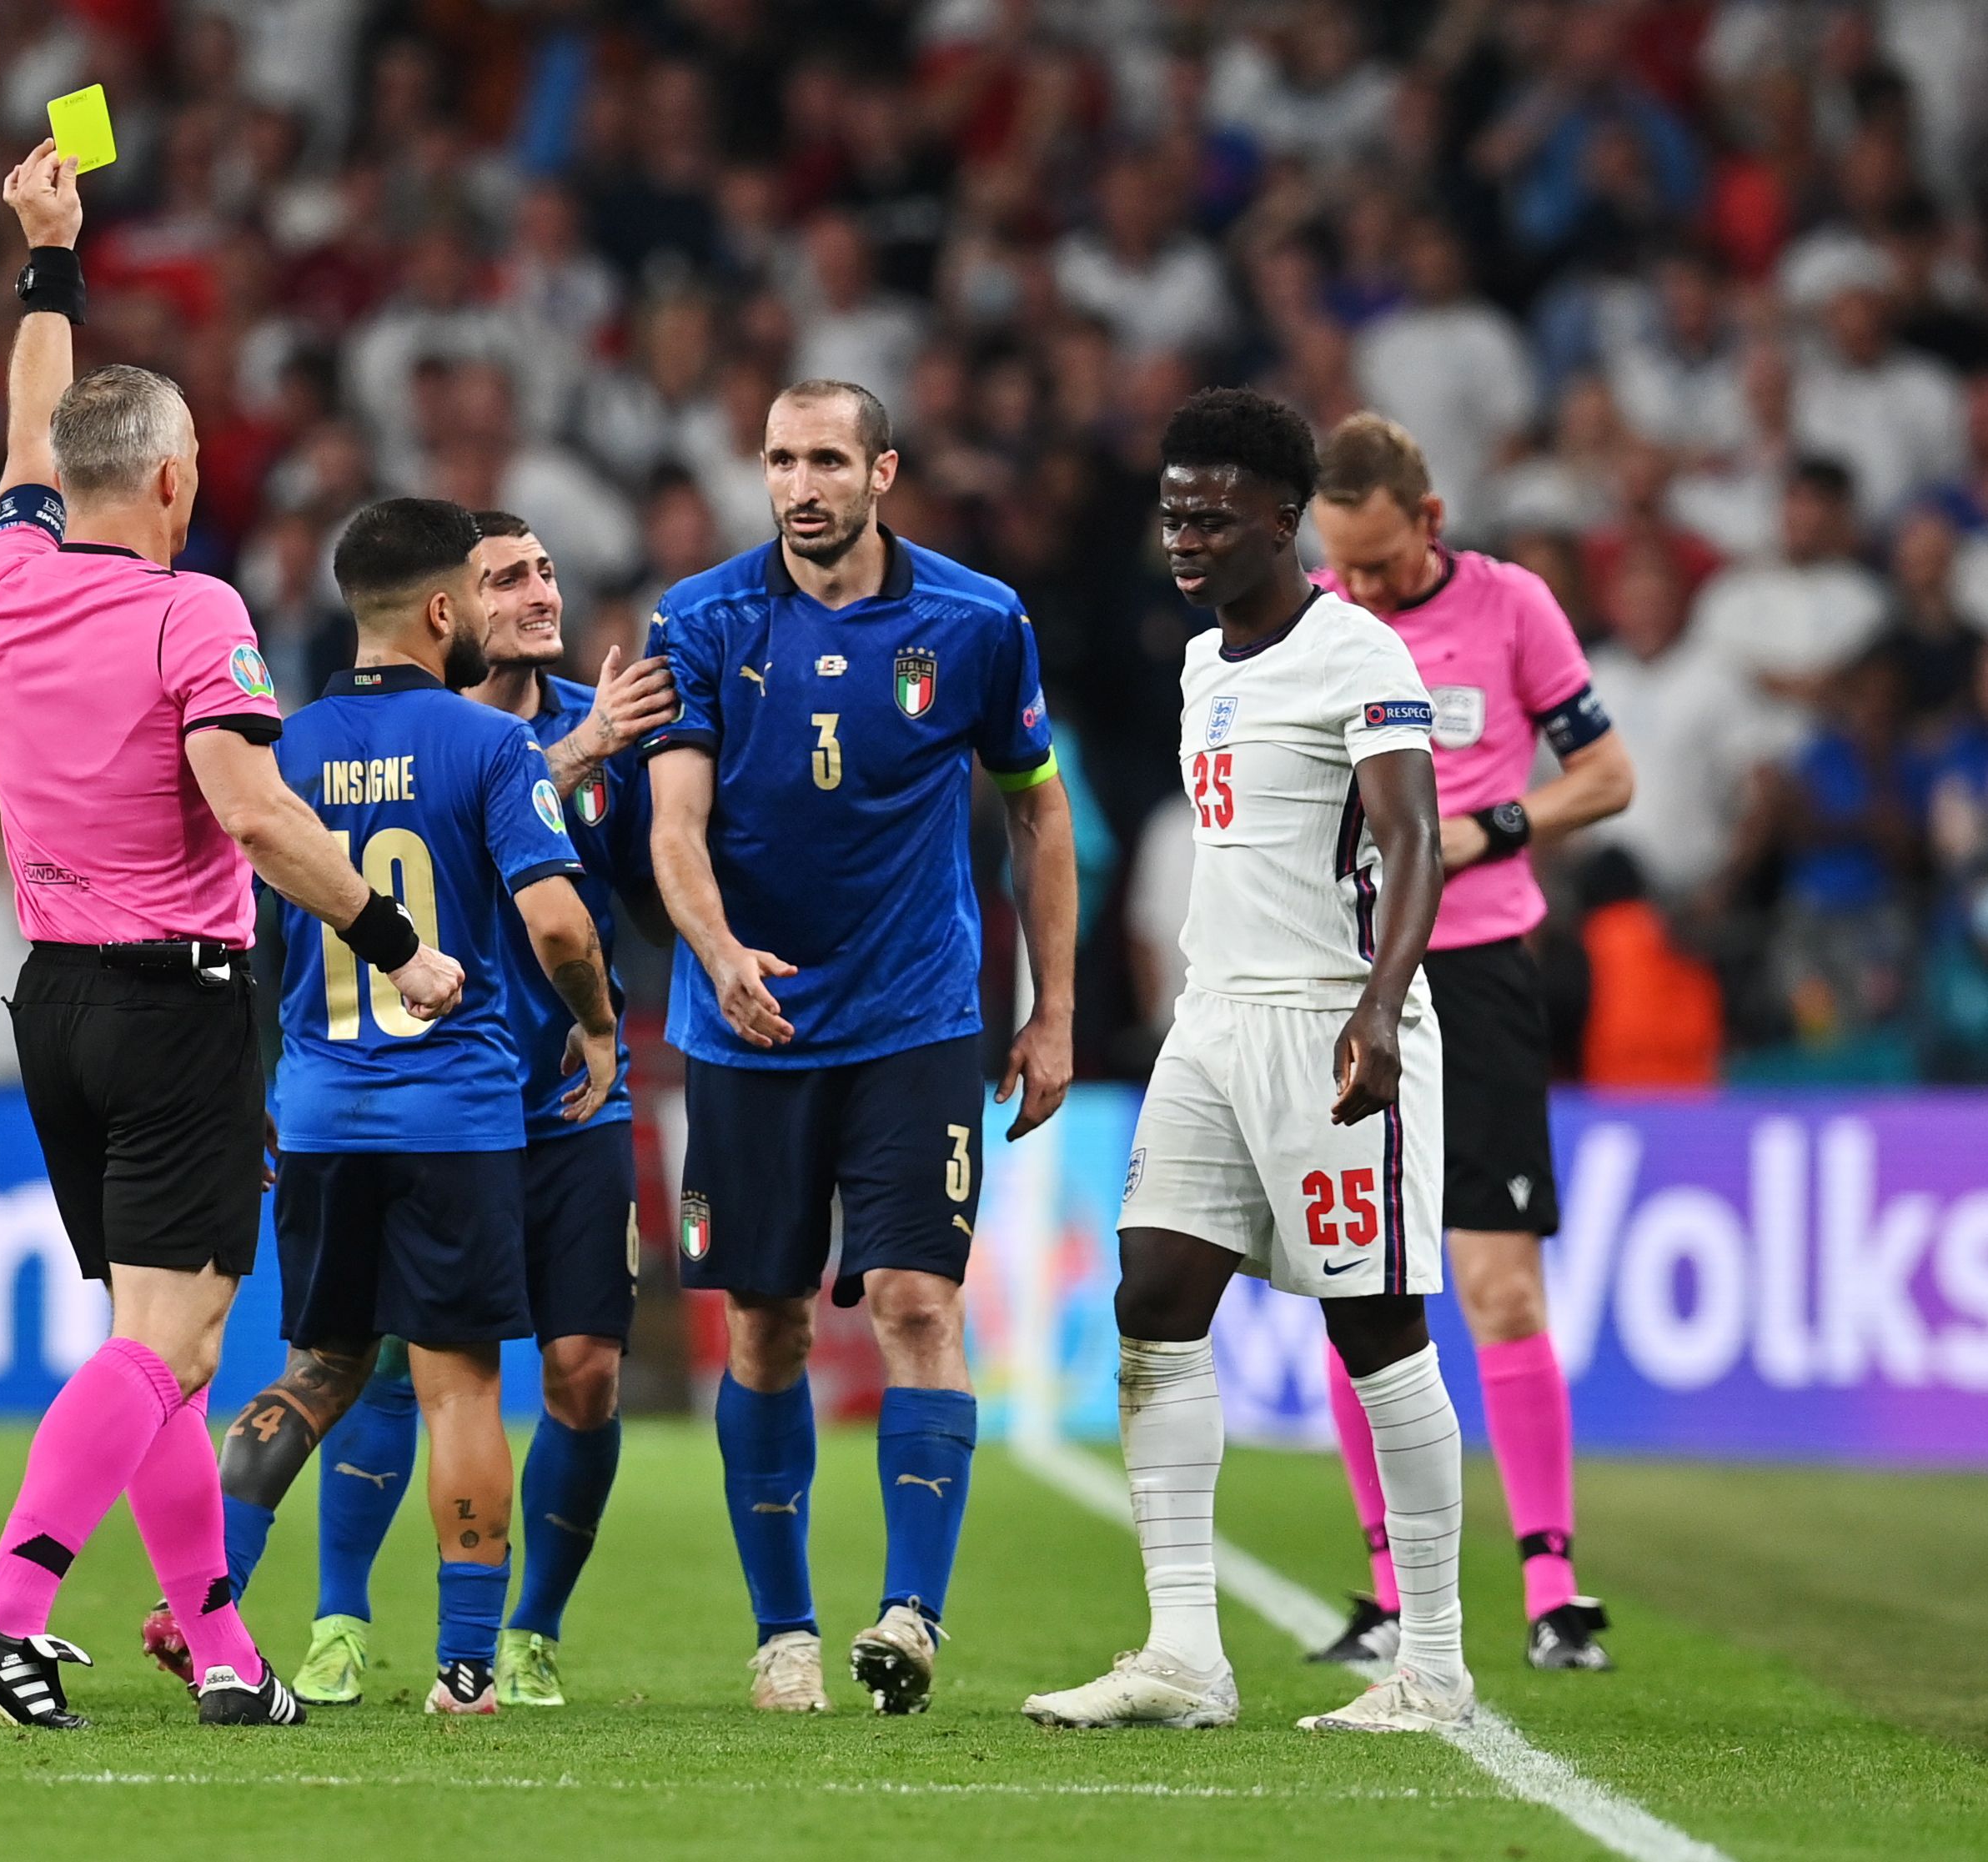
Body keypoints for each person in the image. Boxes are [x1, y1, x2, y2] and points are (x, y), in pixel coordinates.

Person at [0, 142, 463, 1734]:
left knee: (167, 1343)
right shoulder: (193, 614)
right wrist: (388, 936)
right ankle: (3, 1601)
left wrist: (49, 261)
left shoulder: (2, 575)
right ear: (172, 478)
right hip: (178, 1006)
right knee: (175, 1341)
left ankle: (223, 1654)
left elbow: (35, 421)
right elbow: (251, 811)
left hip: (57, 1005)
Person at [1022, 388, 1469, 1735]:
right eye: (1173, 514)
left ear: (1286, 519)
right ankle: (1183, 1653)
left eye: (1213, 516)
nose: (1186, 536)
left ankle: (1436, 1666)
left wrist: (1380, 1013)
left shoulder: (1362, 654)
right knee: (1153, 1292)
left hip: (1333, 1019)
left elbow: (1414, 841)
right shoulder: (1203, 661)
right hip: (1213, 1022)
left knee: (1376, 1327)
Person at [643, 378, 1079, 1715]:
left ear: (883, 469)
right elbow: (673, 825)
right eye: (779, 459)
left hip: (915, 1019)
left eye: (827, 458)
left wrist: (1054, 1010)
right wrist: (720, 958)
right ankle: (785, 1633)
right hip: (749, 1023)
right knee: (763, 1327)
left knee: (916, 1304)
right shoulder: (701, 618)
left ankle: (911, 1615)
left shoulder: (977, 619)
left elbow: (1037, 818)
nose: (800, 485)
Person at [146, 497, 622, 1718]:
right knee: (461, 1383)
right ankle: (468, 1665)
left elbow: (242, 933)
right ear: (443, 609)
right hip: (453, 1116)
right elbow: (560, 921)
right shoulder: (488, 747)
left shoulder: (281, 748)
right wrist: (598, 1018)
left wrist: (255, 1077)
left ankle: (205, 1605)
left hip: (317, 1109)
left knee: (315, 1370)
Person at [286, 509, 676, 1710]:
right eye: (507, 575)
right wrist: (574, 760)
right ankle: (342, 1619)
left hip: (564, 1096)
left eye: (549, 569)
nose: (540, 592)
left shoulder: (611, 739)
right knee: (395, 1365)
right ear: (452, 605)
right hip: (438, 1095)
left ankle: (530, 1629)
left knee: (587, 1372)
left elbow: (651, 888)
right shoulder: (460, 740)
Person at [1308, 411, 1636, 1672]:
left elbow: (1606, 772)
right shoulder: (1315, 620)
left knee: (1498, 1286)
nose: (1367, 588)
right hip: (1346, 978)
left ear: (1430, 523)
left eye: (1384, 563)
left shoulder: (1512, 607)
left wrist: (1497, 820)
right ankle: (1389, 1589)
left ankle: (1552, 1588)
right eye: (1346, 563)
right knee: (1358, 1283)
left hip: (1485, 966)